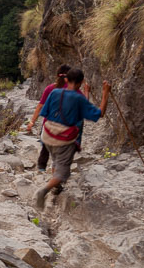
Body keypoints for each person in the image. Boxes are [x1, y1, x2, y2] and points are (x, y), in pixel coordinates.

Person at [34, 69, 111, 209]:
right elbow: (99, 114)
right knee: (63, 172)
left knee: (57, 159)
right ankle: (44, 190)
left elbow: (44, 112)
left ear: (65, 80)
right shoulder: (79, 99)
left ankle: (56, 186)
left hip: (47, 135)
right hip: (63, 140)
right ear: (81, 83)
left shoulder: (54, 92)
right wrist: (105, 93)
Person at [26, 64, 71, 172]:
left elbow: (40, 106)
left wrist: (32, 121)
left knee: (46, 147)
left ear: (57, 75)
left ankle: (42, 168)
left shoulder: (50, 88)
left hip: (48, 125)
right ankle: (56, 172)